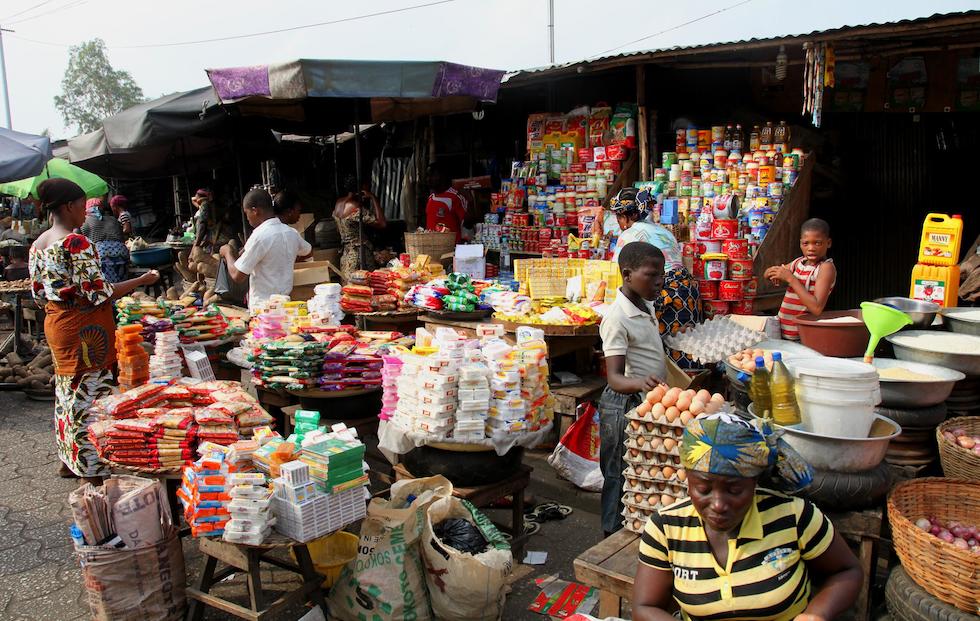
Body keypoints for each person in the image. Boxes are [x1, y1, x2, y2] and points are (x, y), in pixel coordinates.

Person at [633, 412, 863, 621]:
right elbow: (645, 607)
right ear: (688, 480)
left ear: (754, 482)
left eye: (734, 490)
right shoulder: (666, 527)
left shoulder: (794, 515)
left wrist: (816, 613)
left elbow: (847, 572)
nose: (719, 504)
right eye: (703, 489)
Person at [29, 178, 159, 484]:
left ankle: (68, 458)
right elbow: (101, 293)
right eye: (80, 206)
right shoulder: (75, 242)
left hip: (57, 324)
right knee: (90, 395)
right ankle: (91, 468)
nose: (84, 214)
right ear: (68, 207)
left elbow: (37, 294)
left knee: (66, 390)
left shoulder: (39, 243)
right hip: (85, 330)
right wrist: (142, 280)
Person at [598, 241, 668, 537]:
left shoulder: (644, 305)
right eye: (652, 275)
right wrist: (640, 382)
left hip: (643, 401)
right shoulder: (617, 317)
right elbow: (614, 377)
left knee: (638, 472)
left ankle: (628, 532)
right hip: (622, 405)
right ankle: (610, 536)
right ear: (627, 274)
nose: (659, 281)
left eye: (661, 274)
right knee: (618, 473)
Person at [610, 189, 704, 370]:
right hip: (686, 291)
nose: (619, 221)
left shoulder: (628, 236)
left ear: (627, 216)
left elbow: (619, 271)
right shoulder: (663, 231)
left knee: (663, 350)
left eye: (619, 216)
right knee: (685, 347)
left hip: (663, 292)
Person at [219, 188, 312, 312]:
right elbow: (309, 251)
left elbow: (237, 275)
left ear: (255, 211)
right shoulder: (291, 233)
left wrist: (227, 252)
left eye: (247, 213)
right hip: (285, 306)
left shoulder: (260, 236)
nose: (247, 218)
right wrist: (288, 260)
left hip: (263, 309)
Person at [766, 218, 836, 341]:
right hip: (781, 333)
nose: (811, 248)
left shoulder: (825, 268)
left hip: (802, 338)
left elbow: (816, 308)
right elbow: (769, 273)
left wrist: (790, 279)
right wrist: (773, 274)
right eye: (806, 243)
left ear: (828, 243)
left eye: (817, 243)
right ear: (800, 243)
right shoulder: (798, 263)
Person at [334, 177, 386, 278]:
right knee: (364, 287)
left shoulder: (339, 203)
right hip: (359, 256)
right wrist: (373, 197)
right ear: (361, 189)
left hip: (346, 255)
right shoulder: (354, 207)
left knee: (349, 289)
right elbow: (382, 223)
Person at [79, 198, 130, 283]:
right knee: (122, 283)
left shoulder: (83, 221)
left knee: (108, 285)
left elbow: (76, 238)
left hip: (101, 254)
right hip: (121, 251)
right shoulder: (113, 219)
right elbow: (122, 238)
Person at [425, 163, 470, 241]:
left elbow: (468, 223)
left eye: (432, 175)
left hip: (450, 249)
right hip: (432, 248)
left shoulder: (455, 197)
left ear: (442, 176)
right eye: (427, 176)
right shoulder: (430, 198)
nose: (428, 179)